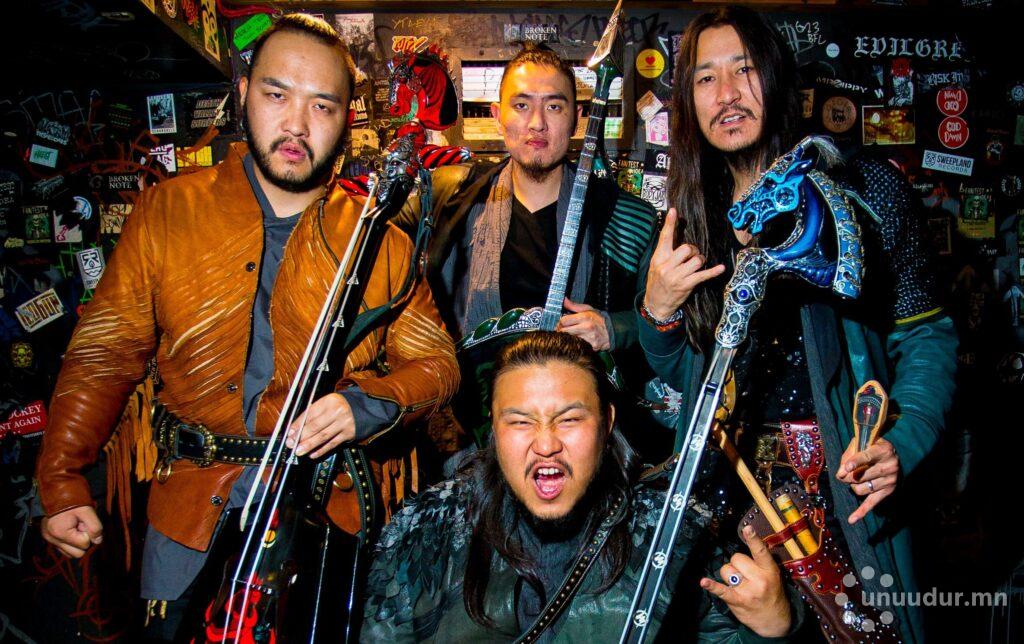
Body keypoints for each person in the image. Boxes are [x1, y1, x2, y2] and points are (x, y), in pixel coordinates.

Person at [34, 14, 459, 641]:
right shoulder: (169, 213)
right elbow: (106, 352)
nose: (297, 124)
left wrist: (367, 403)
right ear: (243, 94)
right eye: (277, 94)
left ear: (345, 119)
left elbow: (439, 364)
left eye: (322, 105)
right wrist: (63, 478)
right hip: (189, 510)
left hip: (324, 510)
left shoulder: (383, 242)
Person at [638, 7, 957, 642]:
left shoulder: (862, 189)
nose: (727, 94)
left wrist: (905, 438)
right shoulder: (690, 215)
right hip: (719, 505)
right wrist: (657, 312)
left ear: (777, 76)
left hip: (837, 497)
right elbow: (681, 376)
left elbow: (926, 333)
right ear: (688, 102)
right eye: (705, 78)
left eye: (744, 70)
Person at [361, 331, 801, 641]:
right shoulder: (430, 532)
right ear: (493, 429)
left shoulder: (671, 536)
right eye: (520, 422)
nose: (546, 444)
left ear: (606, 423)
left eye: (569, 419)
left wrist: (773, 628)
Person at [394, 43, 661, 451]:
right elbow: (376, 265)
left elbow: (669, 329)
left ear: (576, 118)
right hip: (473, 440)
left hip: (582, 442)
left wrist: (614, 328)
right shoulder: (449, 203)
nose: (537, 123)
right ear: (497, 116)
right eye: (521, 105)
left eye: (554, 107)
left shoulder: (626, 218)